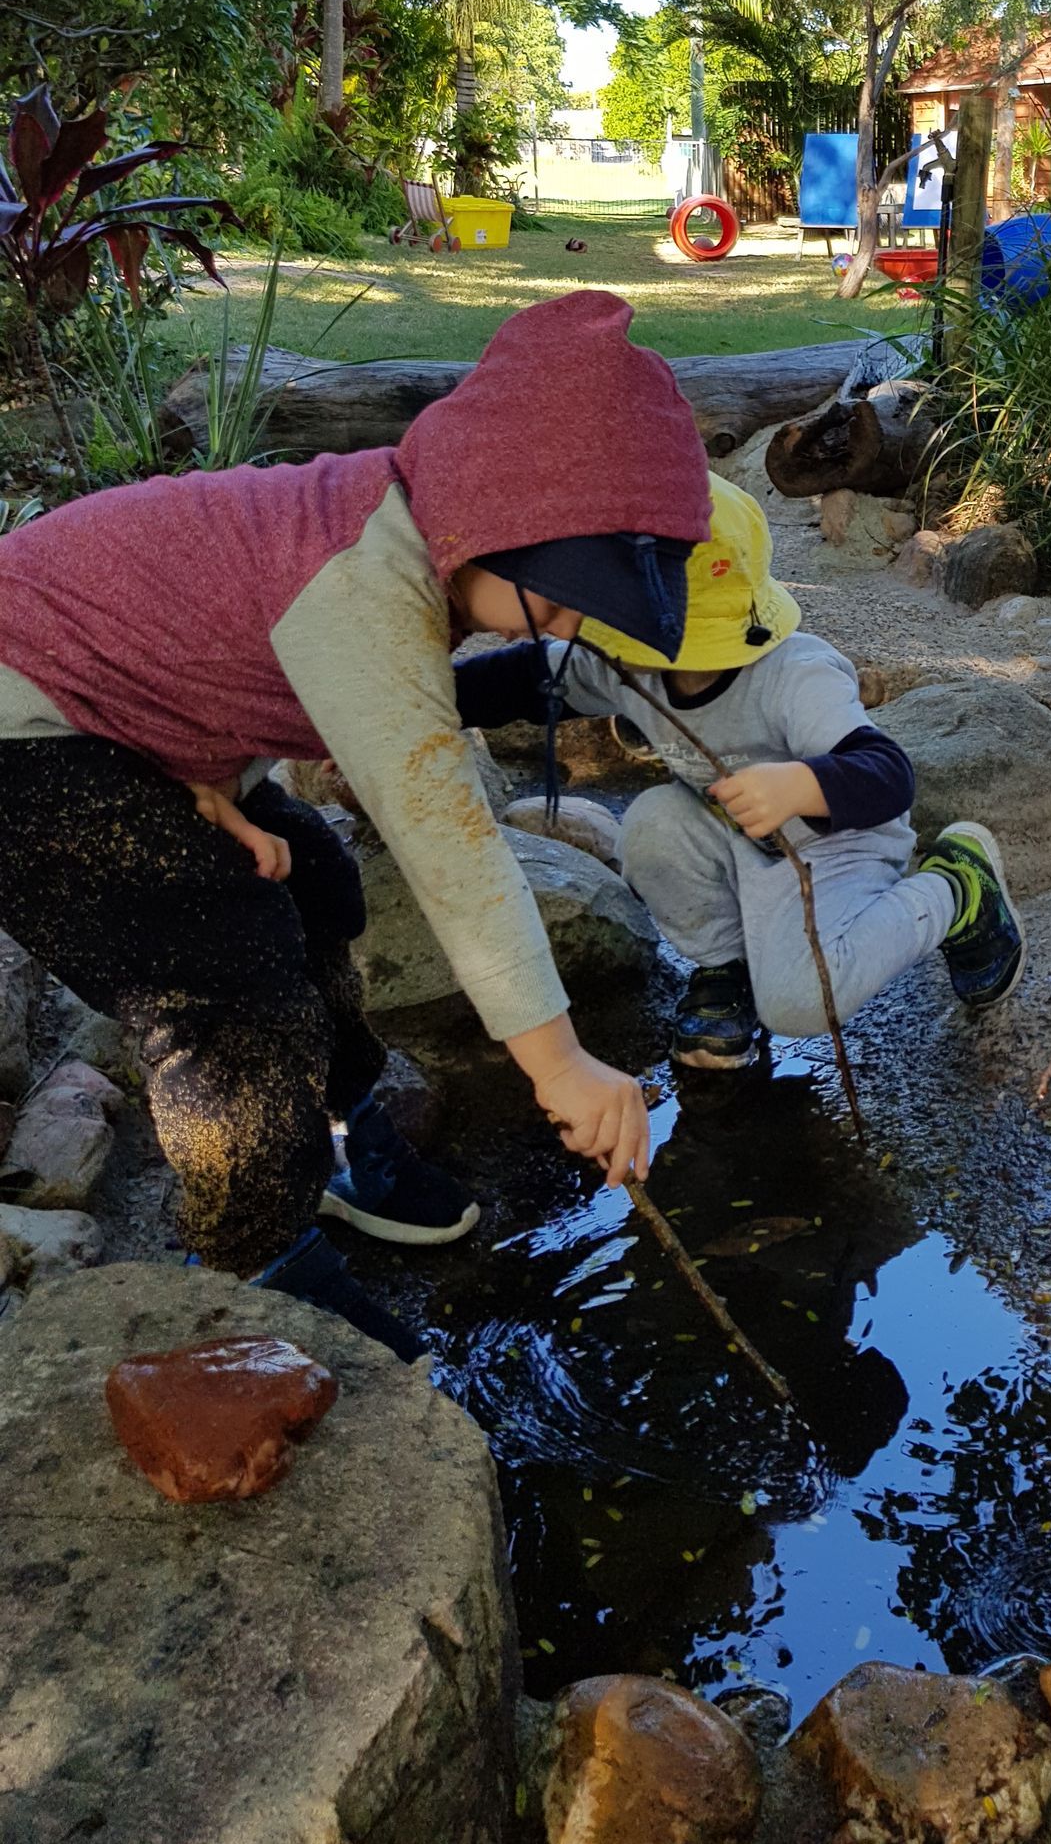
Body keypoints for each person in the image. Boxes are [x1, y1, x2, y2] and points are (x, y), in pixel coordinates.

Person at [0, 290, 710, 1357]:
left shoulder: (402, 524)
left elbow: (233, 663)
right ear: (489, 526)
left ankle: (335, 1137)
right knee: (225, 972)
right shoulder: (362, 585)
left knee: (318, 874)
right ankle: (252, 1261)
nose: (568, 621)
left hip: (124, 728)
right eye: (558, 600)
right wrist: (559, 1062)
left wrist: (211, 784)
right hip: (27, 736)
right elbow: (453, 852)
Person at [456, 476, 1027, 1071]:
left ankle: (958, 890)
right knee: (648, 824)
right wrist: (420, 700)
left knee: (803, 1004)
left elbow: (886, 776)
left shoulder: (794, 673)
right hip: (732, 837)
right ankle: (726, 972)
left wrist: (798, 785)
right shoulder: (627, 663)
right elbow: (522, 679)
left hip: (837, 849)